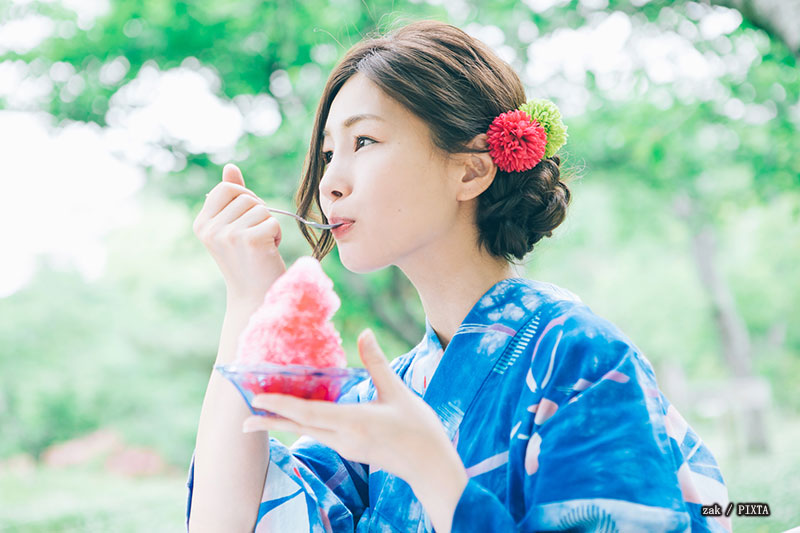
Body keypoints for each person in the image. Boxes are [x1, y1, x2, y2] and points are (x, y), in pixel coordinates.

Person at [186, 19, 730, 533]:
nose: (329, 181)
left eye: (364, 142)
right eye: (328, 153)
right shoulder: (390, 397)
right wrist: (251, 305)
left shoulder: (577, 354)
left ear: (470, 169)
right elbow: (226, 520)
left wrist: (429, 466)